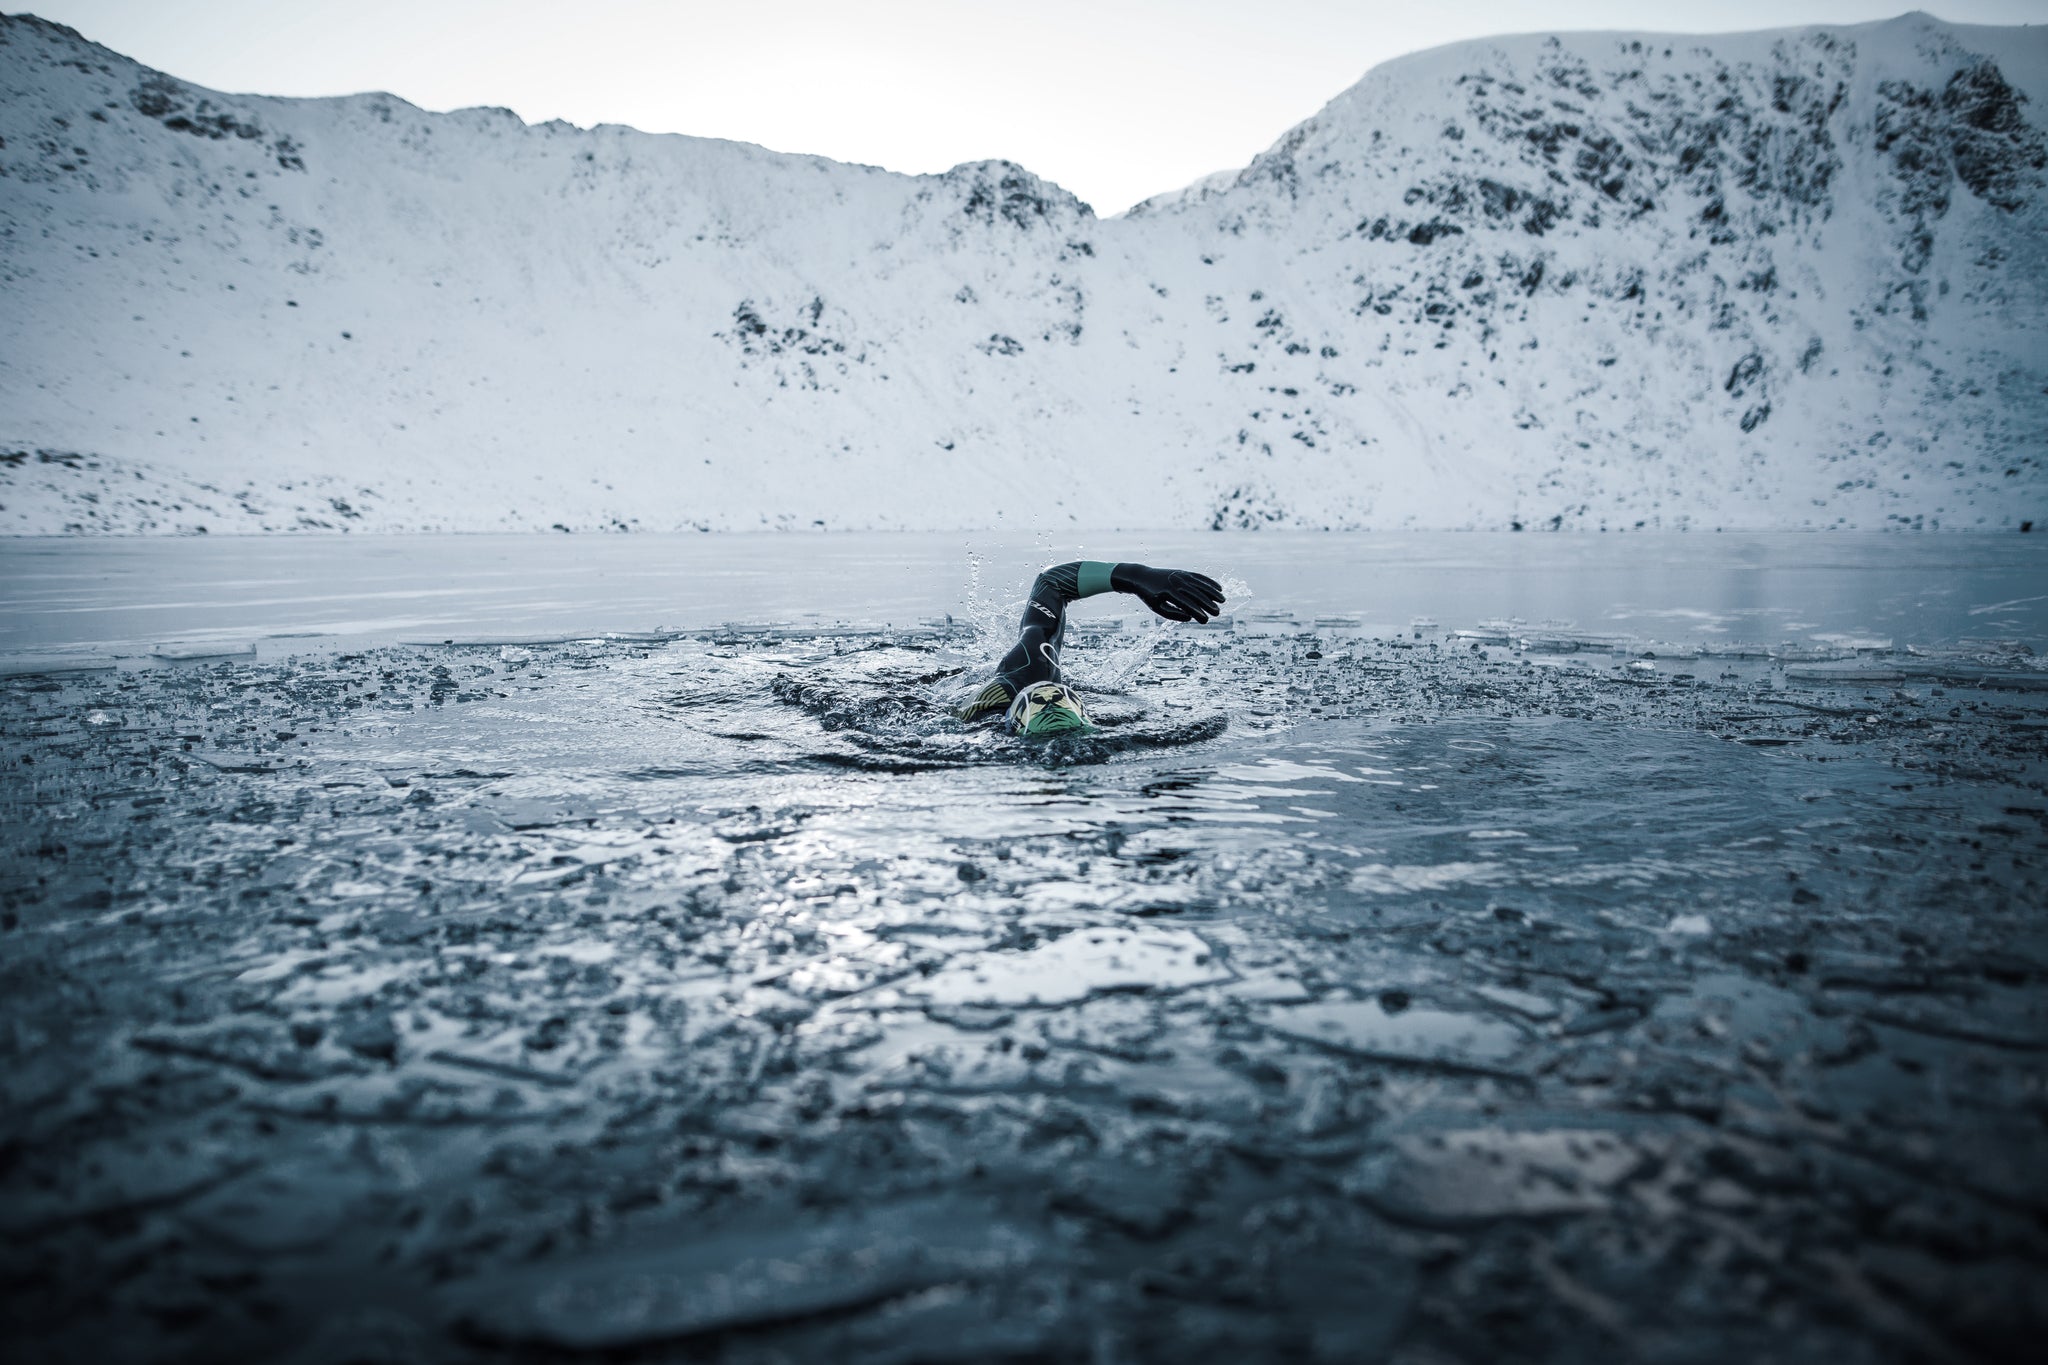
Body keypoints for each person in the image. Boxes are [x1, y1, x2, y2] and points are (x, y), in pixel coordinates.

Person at [959, 561, 1227, 737]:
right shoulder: (969, 733)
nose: (1050, 700)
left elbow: (1050, 583)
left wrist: (1136, 577)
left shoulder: (1032, 665)